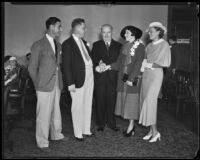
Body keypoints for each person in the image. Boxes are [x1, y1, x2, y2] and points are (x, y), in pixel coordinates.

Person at [28, 17, 67, 152]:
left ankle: (56, 134)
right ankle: (42, 142)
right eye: (59, 26)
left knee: (56, 111)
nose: (61, 29)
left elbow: (58, 65)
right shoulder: (38, 45)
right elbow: (32, 68)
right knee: (43, 114)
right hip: (43, 85)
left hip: (56, 83)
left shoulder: (58, 44)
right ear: (51, 27)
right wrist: (37, 85)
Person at [107, 25, 145, 137]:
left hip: (132, 79)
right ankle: (131, 124)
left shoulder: (140, 47)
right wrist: (108, 66)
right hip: (122, 78)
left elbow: (138, 64)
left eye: (127, 33)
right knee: (125, 102)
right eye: (125, 33)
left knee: (132, 102)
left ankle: (131, 125)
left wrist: (131, 78)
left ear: (134, 34)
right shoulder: (124, 46)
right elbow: (119, 63)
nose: (125, 35)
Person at [62, 18, 94, 141]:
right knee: (77, 105)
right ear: (75, 28)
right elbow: (66, 65)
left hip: (89, 75)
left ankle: (86, 129)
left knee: (87, 103)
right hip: (77, 79)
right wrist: (70, 83)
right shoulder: (67, 44)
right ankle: (78, 132)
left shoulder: (84, 42)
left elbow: (88, 59)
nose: (85, 30)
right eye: (83, 27)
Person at [139, 22, 171, 143]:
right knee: (145, 101)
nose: (149, 33)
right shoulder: (149, 45)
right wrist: (143, 65)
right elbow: (145, 58)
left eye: (151, 31)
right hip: (147, 74)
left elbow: (165, 63)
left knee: (150, 102)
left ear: (159, 32)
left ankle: (156, 132)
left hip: (156, 75)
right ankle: (151, 131)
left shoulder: (165, 45)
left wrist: (150, 64)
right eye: (149, 31)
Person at [91, 24, 122, 132]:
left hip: (113, 78)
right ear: (101, 33)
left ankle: (111, 123)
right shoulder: (96, 45)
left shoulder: (119, 45)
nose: (106, 34)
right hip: (100, 78)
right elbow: (93, 59)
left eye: (108, 32)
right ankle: (100, 123)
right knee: (99, 101)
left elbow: (120, 61)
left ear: (112, 32)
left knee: (112, 101)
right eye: (104, 32)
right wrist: (98, 62)